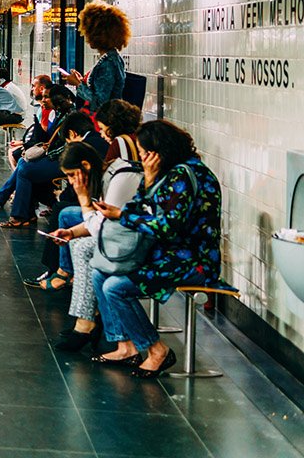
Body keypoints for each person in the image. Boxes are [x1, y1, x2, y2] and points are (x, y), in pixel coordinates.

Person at [52, 120, 229, 377]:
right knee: (99, 271)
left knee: (116, 287)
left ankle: (156, 350)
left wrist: (122, 215)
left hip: (191, 261)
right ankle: (126, 345)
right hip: (168, 256)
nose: (143, 157)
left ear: (160, 151)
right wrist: (146, 181)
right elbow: (141, 208)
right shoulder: (169, 173)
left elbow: (165, 226)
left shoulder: (184, 177)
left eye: (145, 152)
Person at [25, 100, 142, 295]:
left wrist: (85, 200)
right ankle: (63, 273)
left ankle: (61, 272)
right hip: (121, 216)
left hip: (120, 227)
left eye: (104, 129)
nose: (102, 135)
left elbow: (101, 222)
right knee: (65, 212)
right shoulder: (131, 141)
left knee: (65, 213)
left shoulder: (118, 146)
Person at [62, 1, 130, 113]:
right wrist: (82, 82)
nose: (86, 37)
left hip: (103, 122)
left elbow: (100, 103)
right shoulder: (113, 58)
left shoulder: (107, 63)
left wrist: (78, 84)